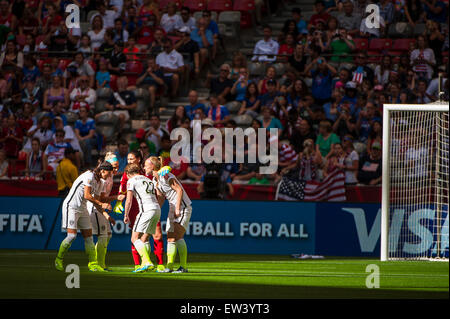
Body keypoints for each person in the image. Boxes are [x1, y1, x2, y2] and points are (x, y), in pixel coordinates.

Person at [54, 161, 115, 272]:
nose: (110, 176)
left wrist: (106, 215)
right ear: (102, 171)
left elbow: (96, 202)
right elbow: (87, 195)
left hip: (83, 209)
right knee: (71, 236)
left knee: (89, 238)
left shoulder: (100, 182)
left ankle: (93, 264)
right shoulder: (89, 175)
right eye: (109, 173)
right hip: (71, 206)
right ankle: (59, 259)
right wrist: (102, 204)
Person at [147, 157, 192, 273]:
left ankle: (183, 267)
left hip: (182, 207)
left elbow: (179, 190)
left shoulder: (165, 175)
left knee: (177, 236)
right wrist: (155, 210)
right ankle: (170, 267)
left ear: (153, 166)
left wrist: (177, 209)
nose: (144, 167)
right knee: (171, 237)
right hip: (173, 208)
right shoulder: (154, 180)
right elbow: (161, 197)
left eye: (146, 165)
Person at [122, 162, 162, 273]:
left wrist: (126, 214)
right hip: (157, 209)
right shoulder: (147, 179)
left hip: (146, 209)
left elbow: (129, 200)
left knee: (134, 238)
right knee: (144, 239)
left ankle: (147, 261)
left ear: (128, 173)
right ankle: (146, 264)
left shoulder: (131, 181)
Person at [88, 153, 120, 270]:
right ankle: (99, 264)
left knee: (108, 235)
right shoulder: (104, 179)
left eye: (117, 166)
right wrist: (116, 197)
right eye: (113, 167)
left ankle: (98, 262)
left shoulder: (109, 177)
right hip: (95, 208)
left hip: (100, 208)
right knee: (103, 236)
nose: (116, 169)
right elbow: (100, 199)